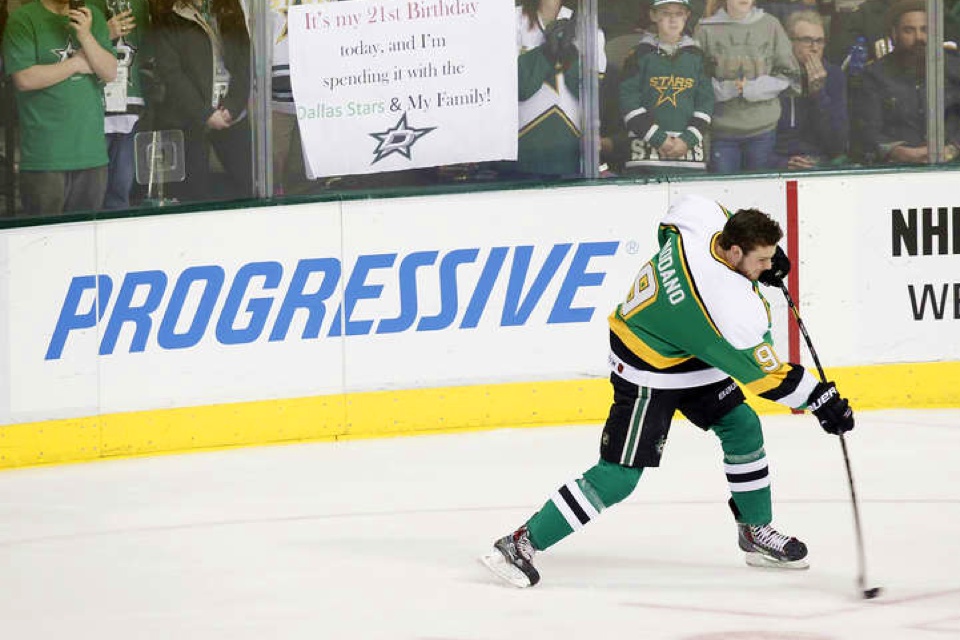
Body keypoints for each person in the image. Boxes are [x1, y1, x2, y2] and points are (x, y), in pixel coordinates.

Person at [480, 193, 855, 588]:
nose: (768, 266)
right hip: (648, 366)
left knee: (742, 427)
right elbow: (766, 377)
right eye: (761, 260)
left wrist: (760, 262)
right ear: (732, 251)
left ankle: (754, 530)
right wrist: (821, 401)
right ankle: (519, 542)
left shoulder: (703, 217)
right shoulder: (729, 305)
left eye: (770, 257)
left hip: (688, 347)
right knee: (619, 476)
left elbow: (672, 224)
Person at [2, 0, 117, 216]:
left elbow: (110, 71)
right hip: (45, 156)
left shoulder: (92, 15)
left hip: (91, 153)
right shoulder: (24, 19)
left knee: (85, 242)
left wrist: (85, 35)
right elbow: (24, 78)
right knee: (44, 240)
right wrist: (75, 64)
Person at [150, 0, 252, 203]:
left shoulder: (229, 8)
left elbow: (244, 59)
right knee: (193, 195)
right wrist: (204, 113)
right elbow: (171, 74)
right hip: (188, 120)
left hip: (231, 115)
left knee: (248, 185)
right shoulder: (168, 14)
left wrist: (232, 107)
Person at [695, 0, 801, 173]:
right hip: (721, 132)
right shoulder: (705, 28)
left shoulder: (771, 25)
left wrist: (754, 89)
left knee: (759, 196)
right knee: (724, 194)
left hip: (763, 131)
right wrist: (726, 90)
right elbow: (695, 82)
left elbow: (790, 75)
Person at [510, 0, 608, 179]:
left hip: (568, 152)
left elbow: (590, 95)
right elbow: (518, 88)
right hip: (520, 149)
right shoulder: (511, 20)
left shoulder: (588, 27)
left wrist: (569, 54)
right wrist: (546, 52)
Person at [858, 0, 960, 164]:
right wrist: (899, 152)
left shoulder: (955, 69)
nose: (919, 37)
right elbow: (868, 131)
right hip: (896, 169)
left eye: (924, 30)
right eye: (909, 30)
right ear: (894, 34)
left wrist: (953, 148)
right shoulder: (874, 76)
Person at [618, 0, 714, 173]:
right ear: (653, 15)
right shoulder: (638, 55)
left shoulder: (698, 57)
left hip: (690, 155)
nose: (673, 20)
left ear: (687, 16)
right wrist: (658, 138)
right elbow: (628, 101)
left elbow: (706, 102)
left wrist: (688, 140)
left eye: (679, 14)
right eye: (665, 13)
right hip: (644, 154)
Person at [87, 0, 149, 210]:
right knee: (89, 193)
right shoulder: (82, 4)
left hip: (131, 102)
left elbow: (149, 46)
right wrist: (104, 32)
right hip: (93, 104)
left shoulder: (141, 4)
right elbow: (67, 47)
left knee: (120, 191)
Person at [774, 10, 849, 169]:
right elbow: (760, 138)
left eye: (820, 41)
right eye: (807, 40)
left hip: (821, 162)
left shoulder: (834, 75)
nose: (815, 48)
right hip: (779, 162)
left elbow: (838, 144)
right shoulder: (773, 74)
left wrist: (818, 94)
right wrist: (780, 162)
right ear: (788, 42)